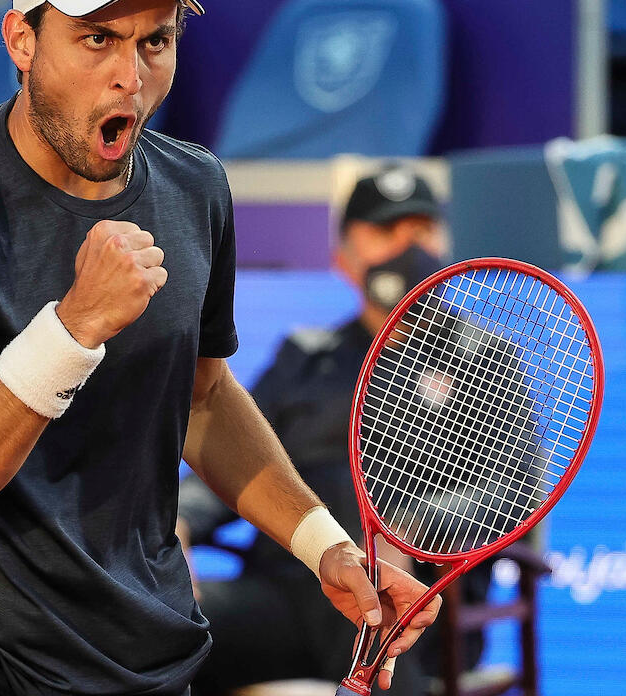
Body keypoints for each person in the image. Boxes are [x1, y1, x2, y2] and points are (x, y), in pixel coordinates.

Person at [0, 0, 439, 696]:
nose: (130, 73)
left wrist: (326, 546)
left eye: (154, 41)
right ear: (22, 41)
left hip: (138, 651)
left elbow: (204, 400)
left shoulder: (196, 188)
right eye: (97, 39)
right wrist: (74, 327)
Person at [179, 168, 497, 696]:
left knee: (367, 564)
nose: (407, 247)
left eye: (422, 230)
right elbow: (236, 457)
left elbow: (514, 492)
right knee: (163, 627)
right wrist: (182, 520)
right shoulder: (305, 357)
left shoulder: (486, 359)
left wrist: (405, 527)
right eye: (386, 231)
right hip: (288, 594)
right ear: (342, 258)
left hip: (417, 602)